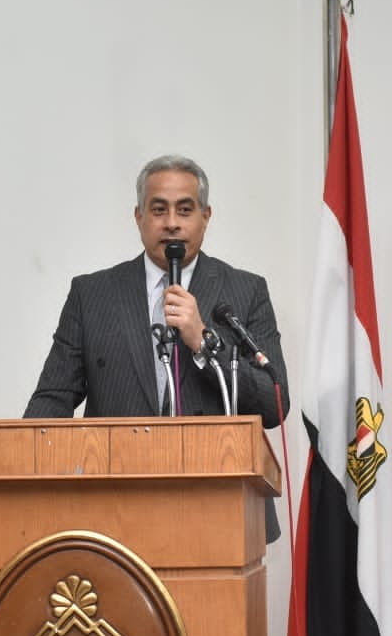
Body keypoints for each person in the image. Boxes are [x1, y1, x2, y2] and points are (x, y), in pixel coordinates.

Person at [23, 154, 290, 537]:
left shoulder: (246, 292)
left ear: (206, 216)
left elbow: (274, 403)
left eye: (185, 209)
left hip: (219, 508)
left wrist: (203, 342)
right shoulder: (92, 295)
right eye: (159, 209)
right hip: (114, 510)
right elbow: (52, 401)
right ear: (139, 217)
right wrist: (22, 473)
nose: (172, 223)